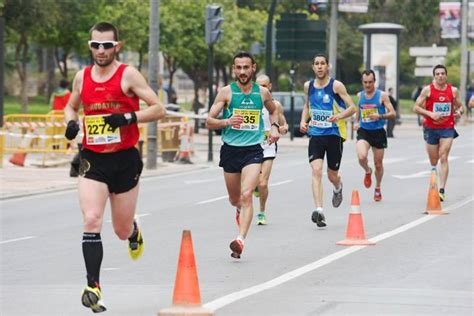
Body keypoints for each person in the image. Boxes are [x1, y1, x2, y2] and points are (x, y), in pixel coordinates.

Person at [63, 22, 166, 313]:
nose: (100, 51)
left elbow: (158, 108)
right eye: (95, 45)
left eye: (106, 45)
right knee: (92, 218)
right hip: (93, 158)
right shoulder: (81, 77)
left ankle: (133, 231)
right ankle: (93, 287)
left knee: (120, 230)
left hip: (124, 159)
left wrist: (128, 118)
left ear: (116, 47)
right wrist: (70, 123)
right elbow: (71, 106)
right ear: (90, 46)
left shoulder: (128, 74)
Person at [206, 51, 280, 259]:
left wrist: (274, 128)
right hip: (230, 149)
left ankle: (240, 240)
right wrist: (226, 122)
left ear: (253, 68)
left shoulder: (262, 93)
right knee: (234, 198)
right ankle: (239, 209)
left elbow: (274, 111)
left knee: (247, 194)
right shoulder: (226, 93)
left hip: (253, 150)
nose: (242, 71)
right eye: (238, 67)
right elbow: (209, 121)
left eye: (246, 67)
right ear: (233, 70)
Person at [299, 54, 356, 227]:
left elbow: (353, 107)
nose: (320, 67)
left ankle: (338, 187)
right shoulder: (308, 86)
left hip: (334, 134)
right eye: (316, 64)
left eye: (322, 63)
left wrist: (338, 116)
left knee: (331, 175)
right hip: (316, 134)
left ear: (327, 66)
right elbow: (307, 106)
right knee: (316, 170)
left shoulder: (336, 86)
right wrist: (303, 121)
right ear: (313, 67)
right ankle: (319, 210)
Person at [413, 64, 464, 202]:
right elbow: (415, 107)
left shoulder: (453, 91)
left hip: (448, 127)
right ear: (434, 76)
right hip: (431, 127)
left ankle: (442, 189)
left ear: (446, 75)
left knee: (444, 156)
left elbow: (461, 106)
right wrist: (430, 113)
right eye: (438, 74)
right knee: (434, 160)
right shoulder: (427, 90)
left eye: (443, 73)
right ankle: (434, 175)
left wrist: (459, 112)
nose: (440, 76)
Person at [353, 70, 396, 201]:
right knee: (361, 157)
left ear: (374, 81)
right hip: (364, 131)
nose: (368, 85)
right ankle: (367, 170)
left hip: (378, 132)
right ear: (362, 82)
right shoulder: (360, 95)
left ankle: (377, 187)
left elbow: (393, 113)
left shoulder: (382, 96)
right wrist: (356, 122)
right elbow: (358, 111)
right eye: (365, 82)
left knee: (378, 164)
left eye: (370, 82)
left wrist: (380, 116)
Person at [253, 74, 288, 225]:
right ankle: (254, 185)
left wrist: (283, 129)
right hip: (252, 146)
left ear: (270, 87)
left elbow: (283, 124)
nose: (262, 89)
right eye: (259, 86)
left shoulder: (276, 105)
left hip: (268, 146)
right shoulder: (250, 103)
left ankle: (261, 212)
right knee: (252, 181)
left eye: (264, 86)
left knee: (263, 183)